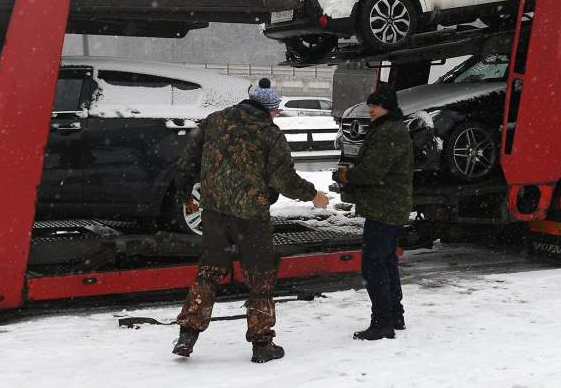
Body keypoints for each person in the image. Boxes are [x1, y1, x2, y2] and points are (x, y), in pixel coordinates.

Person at [171, 79, 329, 363]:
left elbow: (188, 159)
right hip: (251, 218)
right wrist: (313, 194)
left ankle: (187, 335)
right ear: (270, 109)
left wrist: (184, 187)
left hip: (215, 213)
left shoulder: (214, 120)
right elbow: (284, 179)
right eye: (276, 110)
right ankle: (262, 344)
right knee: (260, 280)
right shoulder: (269, 134)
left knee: (208, 272)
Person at [333, 85, 413, 340]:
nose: (370, 110)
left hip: (385, 208)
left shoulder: (390, 131)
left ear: (386, 107)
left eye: (374, 105)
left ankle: (382, 323)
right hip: (388, 206)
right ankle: (394, 315)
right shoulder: (389, 128)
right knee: (387, 262)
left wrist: (346, 175)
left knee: (374, 266)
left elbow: (373, 171)